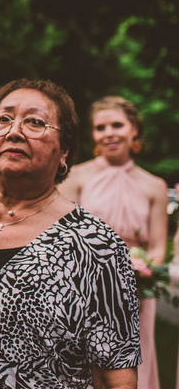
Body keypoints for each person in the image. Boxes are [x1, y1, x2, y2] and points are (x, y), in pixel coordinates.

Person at [0, 79, 141, 389]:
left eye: (35, 122)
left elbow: (115, 371)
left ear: (64, 151)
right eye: (3, 120)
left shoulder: (96, 246)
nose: (14, 131)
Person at [59, 96, 168, 389]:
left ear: (134, 130)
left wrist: (142, 275)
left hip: (137, 292)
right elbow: (68, 235)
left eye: (117, 125)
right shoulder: (77, 176)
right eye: (100, 127)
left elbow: (158, 247)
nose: (108, 133)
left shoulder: (155, 186)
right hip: (87, 286)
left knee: (134, 362)